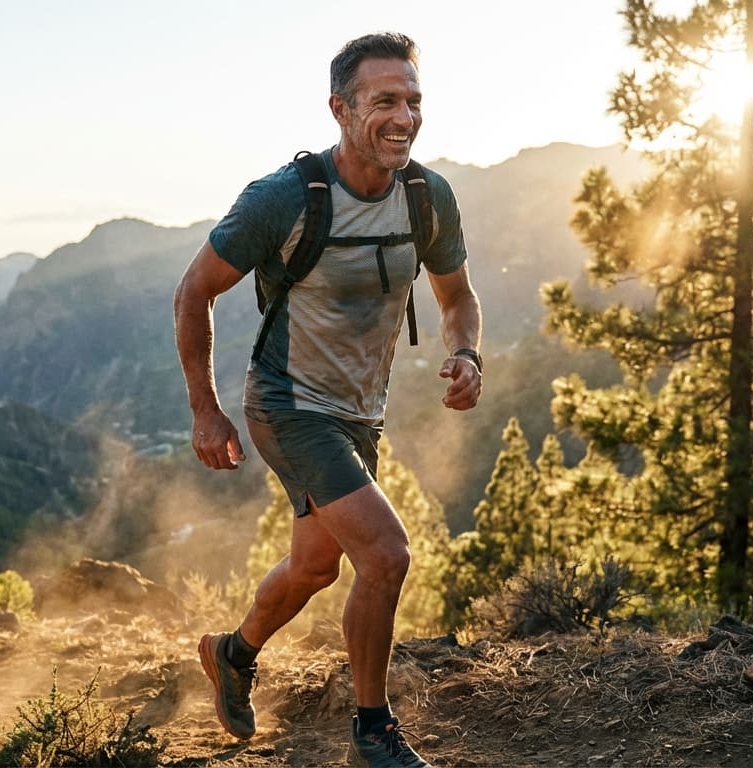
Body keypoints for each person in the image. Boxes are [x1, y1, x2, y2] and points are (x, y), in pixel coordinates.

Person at [173, 31, 482, 768]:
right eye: (384, 101)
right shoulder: (282, 200)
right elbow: (193, 292)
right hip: (285, 405)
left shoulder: (426, 197)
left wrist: (465, 352)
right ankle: (373, 729)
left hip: (357, 413)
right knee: (387, 555)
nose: (402, 116)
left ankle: (232, 653)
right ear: (341, 110)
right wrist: (204, 409)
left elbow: (459, 297)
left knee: (317, 569)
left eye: (412, 100)